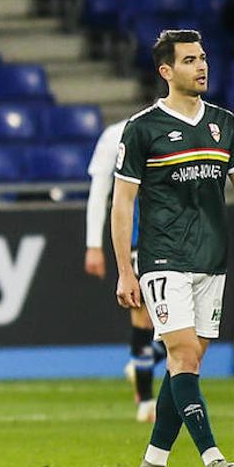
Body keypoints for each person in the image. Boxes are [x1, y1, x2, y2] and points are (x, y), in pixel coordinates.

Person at [115, 29, 234, 467]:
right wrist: (124, 267)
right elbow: (122, 204)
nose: (202, 66)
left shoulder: (224, 123)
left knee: (187, 363)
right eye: (190, 60)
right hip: (163, 258)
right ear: (166, 71)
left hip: (211, 260)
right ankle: (213, 459)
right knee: (182, 353)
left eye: (203, 57)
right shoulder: (142, 129)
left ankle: (153, 465)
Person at [85, 119, 164, 423]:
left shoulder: (176, 127)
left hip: (180, 238)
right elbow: (99, 191)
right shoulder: (113, 136)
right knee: (143, 315)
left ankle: (142, 363)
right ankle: (145, 400)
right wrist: (93, 244)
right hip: (141, 240)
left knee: (195, 322)